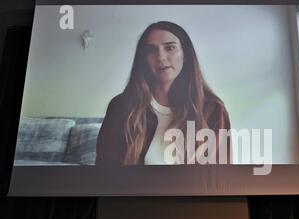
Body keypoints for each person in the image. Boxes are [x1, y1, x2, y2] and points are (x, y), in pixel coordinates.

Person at [96, 21, 231, 165]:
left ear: (185, 54)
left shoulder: (213, 108)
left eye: (170, 48)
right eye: (151, 50)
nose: (160, 57)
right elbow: (105, 171)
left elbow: (219, 177)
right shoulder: (121, 106)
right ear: (144, 59)